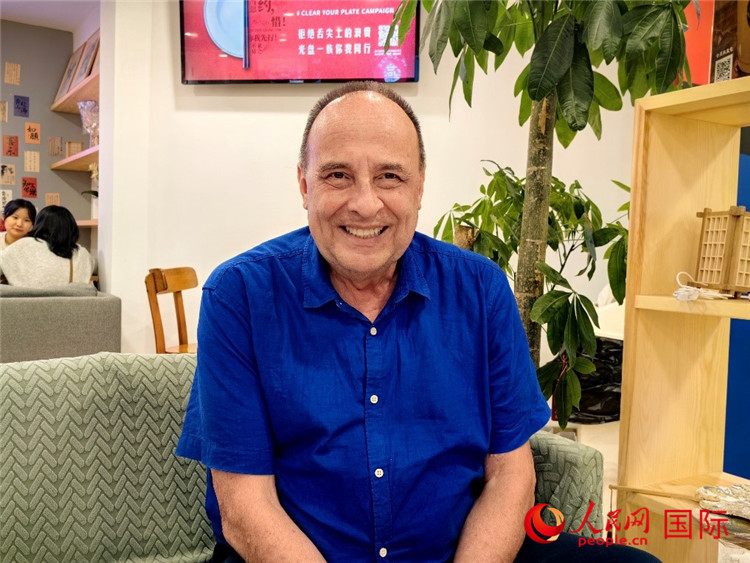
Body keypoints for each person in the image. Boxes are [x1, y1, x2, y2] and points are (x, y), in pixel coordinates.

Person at [177, 82, 657, 562]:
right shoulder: (240, 294)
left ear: (420, 185)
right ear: (305, 184)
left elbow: (511, 473)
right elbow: (245, 507)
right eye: (338, 175)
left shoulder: (481, 289)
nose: (365, 204)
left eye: (389, 176)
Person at [0, 205, 94, 287]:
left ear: (38, 224)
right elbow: (94, 265)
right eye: (15, 217)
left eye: (27, 220)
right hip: (74, 301)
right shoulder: (82, 252)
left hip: (27, 301)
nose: (19, 224)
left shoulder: (25, 244)